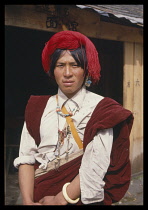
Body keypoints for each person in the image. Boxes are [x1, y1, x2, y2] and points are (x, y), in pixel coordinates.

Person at [14, 30, 134, 205]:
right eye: (60, 65)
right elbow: (26, 156)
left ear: (86, 70)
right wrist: (27, 200)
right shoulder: (37, 108)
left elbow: (96, 162)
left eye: (75, 65)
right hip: (38, 198)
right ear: (52, 70)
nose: (67, 73)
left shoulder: (103, 109)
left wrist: (60, 199)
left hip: (77, 199)